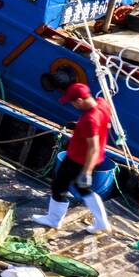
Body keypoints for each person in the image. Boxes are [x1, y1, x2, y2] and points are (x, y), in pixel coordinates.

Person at [34, 82, 111, 233]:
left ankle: (54, 220)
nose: (72, 105)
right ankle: (102, 222)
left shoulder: (89, 120)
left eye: (72, 102)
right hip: (94, 159)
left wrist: (86, 172)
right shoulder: (102, 104)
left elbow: (93, 146)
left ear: (80, 101)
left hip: (78, 160)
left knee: (58, 187)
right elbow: (103, 126)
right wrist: (79, 127)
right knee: (83, 189)